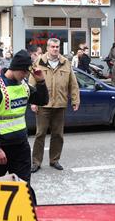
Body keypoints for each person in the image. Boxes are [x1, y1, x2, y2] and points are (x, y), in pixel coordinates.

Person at [0, 50, 49, 208]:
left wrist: (41, 82)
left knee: (23, 185)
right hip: (0, 148)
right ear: (15, 68)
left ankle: (27, 214)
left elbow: (43, 100)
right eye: (23, 71)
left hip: (20, 146)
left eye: (26, 72)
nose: (24, 75)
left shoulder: (24, 86)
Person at [29, 38, 80, 172]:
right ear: (47, 48)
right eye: (52, 47)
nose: (55, 49)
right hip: (43, 105)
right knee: (40, 134)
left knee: (58, 135)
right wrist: (33, 101)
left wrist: (75, 100)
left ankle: (54, 160)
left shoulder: (66, 63)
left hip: (60, 104)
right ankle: (36, 162)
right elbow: (31, 83)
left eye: (57, 47)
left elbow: (73, 84)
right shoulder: (38, 62)